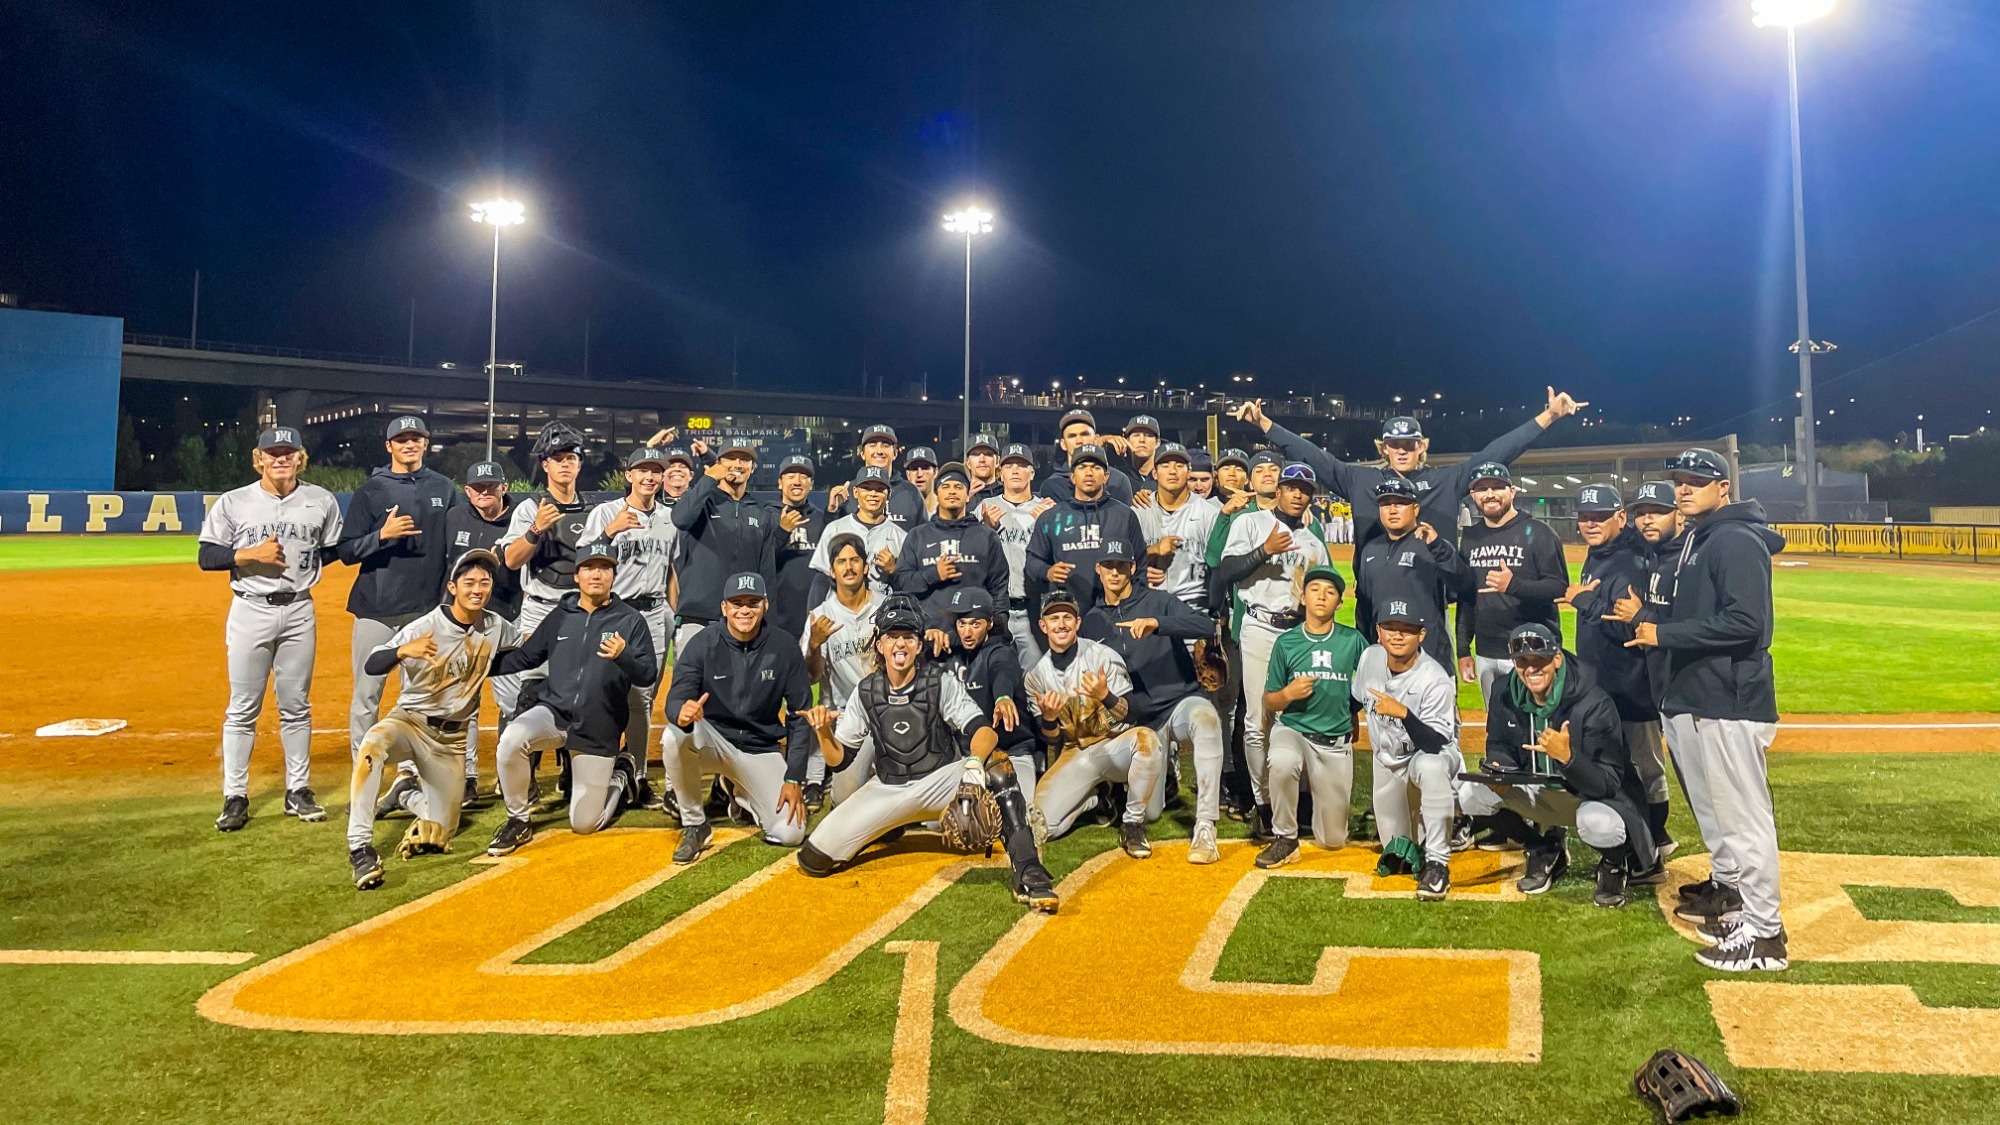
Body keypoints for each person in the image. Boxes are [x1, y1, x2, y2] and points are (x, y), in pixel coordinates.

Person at [1628, 448, 1789, 973]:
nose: (1685, 488)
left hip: (1731, 699)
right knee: (1725, 816)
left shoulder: (1736, 540)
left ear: (1724, 487)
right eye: (1680, 481)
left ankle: (1766, 939)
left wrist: (1663, 632)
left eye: (1698, 480)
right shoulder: (1703, 535)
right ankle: (1745, 910)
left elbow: (1749, 624)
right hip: (1703, 696)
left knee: (1745, 821)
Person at [798, 596, 1060, 913]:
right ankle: (890, 827)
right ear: (879, 644)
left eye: (908, 636)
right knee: (814, 858)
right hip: (888, 788)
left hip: (941, 783)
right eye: (892, 636)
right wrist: (823, 732)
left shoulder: (940, 683)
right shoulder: (865, 692)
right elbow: (839, 760)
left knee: (997, 767)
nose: (900, 644)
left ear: (919, 645)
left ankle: (1029, 869)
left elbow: (985, 732)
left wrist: (974, 767)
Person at [197, 426, 343, 831]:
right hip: (250, 609)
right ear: (258, 458)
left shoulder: (321, 501)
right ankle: (235, 795)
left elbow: (329, 550)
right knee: (243, 708)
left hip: (299, 610)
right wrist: (247, 555)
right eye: (272, 453)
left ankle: (298, 790)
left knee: (296, 705)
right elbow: (207, 556)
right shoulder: (235, 501)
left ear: (301, 458)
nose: (280, 459)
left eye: (288, 452)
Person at [348, 549, 523, 888]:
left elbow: (523, 650)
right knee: (372, 746)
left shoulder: (495, 625)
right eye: (469, 582)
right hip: (410, 723)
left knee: (441, 829)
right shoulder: (426, 625)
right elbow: (373, 663)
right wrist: (402, 651)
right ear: (452, 587)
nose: (477, 589)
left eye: (484, 583)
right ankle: (359, 848)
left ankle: (404, 794)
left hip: (452, 742)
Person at [1458, 624, 1660, 906]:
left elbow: (1609, 782)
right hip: (1537, 791)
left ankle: (1614, 864)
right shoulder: (1504, 691)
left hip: (1587, 797)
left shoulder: (1594, 700)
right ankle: (1542, 846)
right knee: (1470, 796)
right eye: (1523, 661)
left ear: (1557, 658)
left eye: (1539, 659)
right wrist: (1500, 770)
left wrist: (1568, 758)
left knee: (1599, 825)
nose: (1531, 669)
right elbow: (1499, 744)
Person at [1231, 387, 1588, 546]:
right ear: (1382, 449)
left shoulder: (1445, 481)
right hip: (1374, 597)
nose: (1402, 451)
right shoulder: (1360, 479)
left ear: (1422, 448)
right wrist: (1266, 426)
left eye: (1409, 445)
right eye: (1394, 445)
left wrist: (1548, 417)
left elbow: (1495, 454)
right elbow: (1314, 457)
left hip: (1428, 599)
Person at [484, 543, 659, 856]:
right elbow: (525, 656)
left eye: (604, 568)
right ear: (577, 576)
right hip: (555, 713)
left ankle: (621, 772)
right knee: (511, 739)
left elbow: (646, 674)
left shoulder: (630, 620)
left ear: (613, 576)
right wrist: (480, 666)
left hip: (598, 726)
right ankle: (518, 819)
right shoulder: (560, 616)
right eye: (589, 568)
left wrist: (624, 657)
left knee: (585, 823)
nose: (596, 574)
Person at [1081, 540, 1225, 864]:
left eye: (1122, 566)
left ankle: (1205, 826)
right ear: (1098, 569)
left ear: (1133, 568)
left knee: (1207, 722)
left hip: (1180, 701)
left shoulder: (1157, 600)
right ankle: (1142, 777)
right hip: (1141, 721)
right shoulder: (1091, 621)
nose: (1115, 572)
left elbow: (1205, 626)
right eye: (1109, 566)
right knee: (1152, 812)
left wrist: (1159, 624)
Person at [1212, 463, 1333, 838]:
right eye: (1291, 487)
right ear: (1278, 490)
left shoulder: (1313, 540)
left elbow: (1324, 586)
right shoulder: (1251, 524)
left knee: (1298, 716)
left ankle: (1298, 798)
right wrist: (1265, 550)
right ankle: (1264, 802)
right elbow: (1224, 570)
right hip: (1260, 627)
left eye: (1305, 489)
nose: (1298, 494)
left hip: (1299, 631)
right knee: (1258, 720)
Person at [661, 572, 815, 862]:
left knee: (789, 833)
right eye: (737, 603)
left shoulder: (784, 648)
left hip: (759, 748)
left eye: (752, 602)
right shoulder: (702, 644)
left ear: (765, 605)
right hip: (713, 739)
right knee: (674, 735)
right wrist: (681, 711)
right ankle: (695, 824)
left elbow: (800, 715)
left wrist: (794, 777)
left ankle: (737, 791)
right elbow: (677, 695)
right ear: (724, 608)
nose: (745, 610)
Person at [338, 414, 459, 763]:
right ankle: (364, 776)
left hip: (424, 612)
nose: (409, 444)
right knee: (367, 696)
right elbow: (346, 551)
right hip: (376, 611)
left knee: (419, 698)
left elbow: (455, 546)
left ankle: (410, 776)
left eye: (416, 438)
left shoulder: (443, 488)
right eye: (402, 439)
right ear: (389, 446)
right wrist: (381, 537)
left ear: (426, 443)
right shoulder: (371, 490)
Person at [1562, 483, 1674, 858]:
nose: (1590, 524)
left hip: (1631, 686)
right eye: (1585, 517)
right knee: (1620, 767)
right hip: (1606, 683)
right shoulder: (1602, 552)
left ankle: (1656, 841)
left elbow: (1631, 630)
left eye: (1600, 517)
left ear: (1620, 518)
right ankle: (1642, 840)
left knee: (1645, 770)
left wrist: (1583, 601)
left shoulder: (1629, 562)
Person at [1026, 591, 1164, 858]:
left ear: (1078, 623)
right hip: (1075, 753)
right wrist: (1049, 719)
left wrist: (1106, 696)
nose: (1061, 624)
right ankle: (1093, 799)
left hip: (1116, 748)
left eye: (1067, 617)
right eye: (1054, 618)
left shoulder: (1102, 656)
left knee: (1148, 742)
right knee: (1039, 827)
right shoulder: (1036, 678)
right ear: (1043, 626)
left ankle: (1132, 823)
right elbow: (1051, 740)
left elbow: (1133, 713)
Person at [579, 446, 678, 802]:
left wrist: (673, 614)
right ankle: (596, 767)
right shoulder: (606, 512)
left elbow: (672, 573)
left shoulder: (669, 519)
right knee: (600, 690)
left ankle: (636, 775)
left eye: (656, 470)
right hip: (611, 611)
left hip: (652, 613)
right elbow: (583, 559)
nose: (650, 476)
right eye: (643, 470)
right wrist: (609, 532)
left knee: (642, 696)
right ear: (629, 475)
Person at [1257, 566, 1368, 868]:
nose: (1322, 596)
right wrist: (1289, 694)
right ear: (1303, 597)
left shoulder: (1353, 640)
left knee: (1332, 840)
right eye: (1315, 589)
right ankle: (1285, 838)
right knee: (1281, 762)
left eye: (1330, 592)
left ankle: (1325, 818)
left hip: (1333, 738)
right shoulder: (1287, 643)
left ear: (1339, 604)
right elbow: (1269, 700)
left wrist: (1353, 711)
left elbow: (1372, 683)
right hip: (1293, 728)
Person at [1352, 601, 1462, 901]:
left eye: (1407, 630)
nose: (1398, 635)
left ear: (1421, 635)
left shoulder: (1434, 678)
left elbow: (1436, 743)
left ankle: (1439, 863)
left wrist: (1404, 714)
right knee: (1399, 852)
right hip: (1387, 763)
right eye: (1390, 628)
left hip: (1426, 756)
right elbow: (1355, 697)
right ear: (1378, 631)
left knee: (1431, 766)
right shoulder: (1370, 658)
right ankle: (1448, 815)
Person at [497, 422, 595, 717]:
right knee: (530, 694)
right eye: (557, 458)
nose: (565, 464)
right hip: (540, 610)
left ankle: (571, 764)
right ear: (545, 465)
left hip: (581, 611)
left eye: (571, 458)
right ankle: (521, 761)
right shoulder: (529, 509)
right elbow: (512, 560)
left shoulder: (594, 510)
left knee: (580, 695)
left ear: (579, 464)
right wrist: (536, 529)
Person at [440, 461, 520, 806]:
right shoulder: (454, 518)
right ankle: (468, 777)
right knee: (464, 706)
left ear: (504, 487)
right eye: (477, 488)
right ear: (468, 491)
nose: (484, 493)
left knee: (513, 703)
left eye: (491, 486)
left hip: (506, 623)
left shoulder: (520, 518)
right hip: (461, 627)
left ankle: (509, 773)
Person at [1454, 461, 1569, 699]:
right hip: (1486, 651)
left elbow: (1558, 588)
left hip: (1534, 650)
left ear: (1512, 492)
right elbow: (1467, 598)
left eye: (1497, 487)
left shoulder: (1538, 532)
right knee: (1498, 727)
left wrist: (1514, 586)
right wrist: (1464, 650)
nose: (1490, 494)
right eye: (1482, 489)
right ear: (1473, 496)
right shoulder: (1471, 537)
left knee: (1537, 727)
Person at [670, 436, 780, 656]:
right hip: (698, 620)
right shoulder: (702, 502)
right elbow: (680, 518)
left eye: (744, 459)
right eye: (730, 458)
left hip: (743, 623)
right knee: (690, 690)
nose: (737, 464)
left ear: (753, 468)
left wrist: (769, 626)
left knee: (740, 690)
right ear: (719, 463)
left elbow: (767, 574)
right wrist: (708, 479)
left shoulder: (759, 514)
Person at [801, 533, 882, 809]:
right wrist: (813, 643)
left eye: (855, 560)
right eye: (841, 562)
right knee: (845, 799)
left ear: (866, 566)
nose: (849, 567)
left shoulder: (885, 607)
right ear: (831, 571)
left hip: (888, 710)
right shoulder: (820, 616)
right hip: (849, 718)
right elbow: (810, 676)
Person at [1353, 476, 1464, 674]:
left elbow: (1463, 583)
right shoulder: (1370, 550)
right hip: (1384, 657)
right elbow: (1365, 606)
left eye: (1400, 503)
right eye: (1385, 504)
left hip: (1430, 656)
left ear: (1415, 509)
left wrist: (1440, 550)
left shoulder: (1432, 545)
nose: (1392, 510)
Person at [1025, 442, 1149, 619]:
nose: (1089, 473)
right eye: (1082, 467)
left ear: (1106, 476)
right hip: (1067, 616)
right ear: (1073, 477)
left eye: (1096, 467)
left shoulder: (1124, 515)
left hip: (1116, 616)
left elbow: (1140, 567)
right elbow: (1032, 560)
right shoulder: (1052, 517)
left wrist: (1135, 608)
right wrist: (1047, 571)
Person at [895, 461, 1010, 648]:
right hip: (931, 638)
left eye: (958, 486)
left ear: (967, 495)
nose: (952, 491)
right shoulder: (917, 536)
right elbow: (901, 583)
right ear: (937, 493)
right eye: (945, 486)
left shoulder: (986, 536)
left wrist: (997, 631)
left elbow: (999, 590)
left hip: (975, 643)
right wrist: (932, 575)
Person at [941, 587, 1039, 794]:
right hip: (968, 757)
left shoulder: (1000, 651)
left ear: (990, 624)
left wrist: (1003, 697)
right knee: (942, 819)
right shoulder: (949, 652)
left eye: (975, 624)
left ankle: (1092, 800)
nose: (967, 632)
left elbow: (1002, 671)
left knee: (1023, 815)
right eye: (962, 624)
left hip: (1012, 752)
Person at [977, 443, 1054, 664]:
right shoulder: (984, 507)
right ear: (1000, 472)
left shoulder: (1047, 510)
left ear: (1032, 472)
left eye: (1022, 465)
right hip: (994, 613)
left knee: (1035, 686)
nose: (1016, 471)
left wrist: (1046, 527)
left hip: (1033, 612)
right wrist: (985, 529)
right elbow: (971, 559)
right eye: (1010, 466)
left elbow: (1063, 559)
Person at [1146, 442, 1220, 614]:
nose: (1173, 471)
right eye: (1165, 465)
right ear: (1155, 473)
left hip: (1195, 609)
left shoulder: (1209, 513)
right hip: (1150, 610)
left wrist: (1216, 613)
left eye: (1180, 466)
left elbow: (1219, 569)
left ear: (1188, 472)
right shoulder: (1138, 511)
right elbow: (1121, 561)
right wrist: (1145, 559)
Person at [813, 466, 907, 597]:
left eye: (880, 489)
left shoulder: (901, 537)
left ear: (889, 494)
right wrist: (814, 614)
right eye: (866, 488)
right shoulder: (835, 529)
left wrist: (893, 571)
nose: (873, 494)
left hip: (882, 613)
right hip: (839, 614)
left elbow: (907, 587)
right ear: (855, 492)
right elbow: (821, 580)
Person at [769, 454, 830, 639]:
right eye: (790, 476)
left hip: (816, 617)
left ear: (811, 484)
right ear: (780, 483)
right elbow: (759, 560)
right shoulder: (766, 516)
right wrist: (781, 531)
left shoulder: (822, 520)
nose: (797, 481)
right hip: (776, 619)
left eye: (803, 477)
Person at [826, 424, 927, 528]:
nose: (879, 451)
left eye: (886, 445)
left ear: (895, 453)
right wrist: (832, 512)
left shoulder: (911, 493)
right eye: (872, 444)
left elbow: (923, 538)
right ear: (862, 453)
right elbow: (832, 537)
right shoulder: (848, 492)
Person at [1037, 409, 1139, 504]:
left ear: (1096, 440)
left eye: (1085, 434)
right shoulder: (1052, 485)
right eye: (1072, 436)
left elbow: (1124, 519)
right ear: (1063, 444)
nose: (1079, 441)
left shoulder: (1118, 480)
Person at [1121, 414, 1163, 487]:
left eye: (1148, 435)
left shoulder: (1166, 477)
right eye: (1136, 435)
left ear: (1157, 443)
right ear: (1127, 441)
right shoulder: (1119, 478)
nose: (1142, 440)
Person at [964, 432, 1004, 502]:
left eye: (988, 454)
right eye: (976, 454)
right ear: (968, 463)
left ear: (997, 461)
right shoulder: (959, 494)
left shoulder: (1008, 493)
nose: (982, 460)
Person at [903, 445, 941, 518]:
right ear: (908, 475)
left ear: (935, 472)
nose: (919, 474)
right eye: (914, 469)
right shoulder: (900, 510)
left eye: (925, 468)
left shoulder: (945, 508)